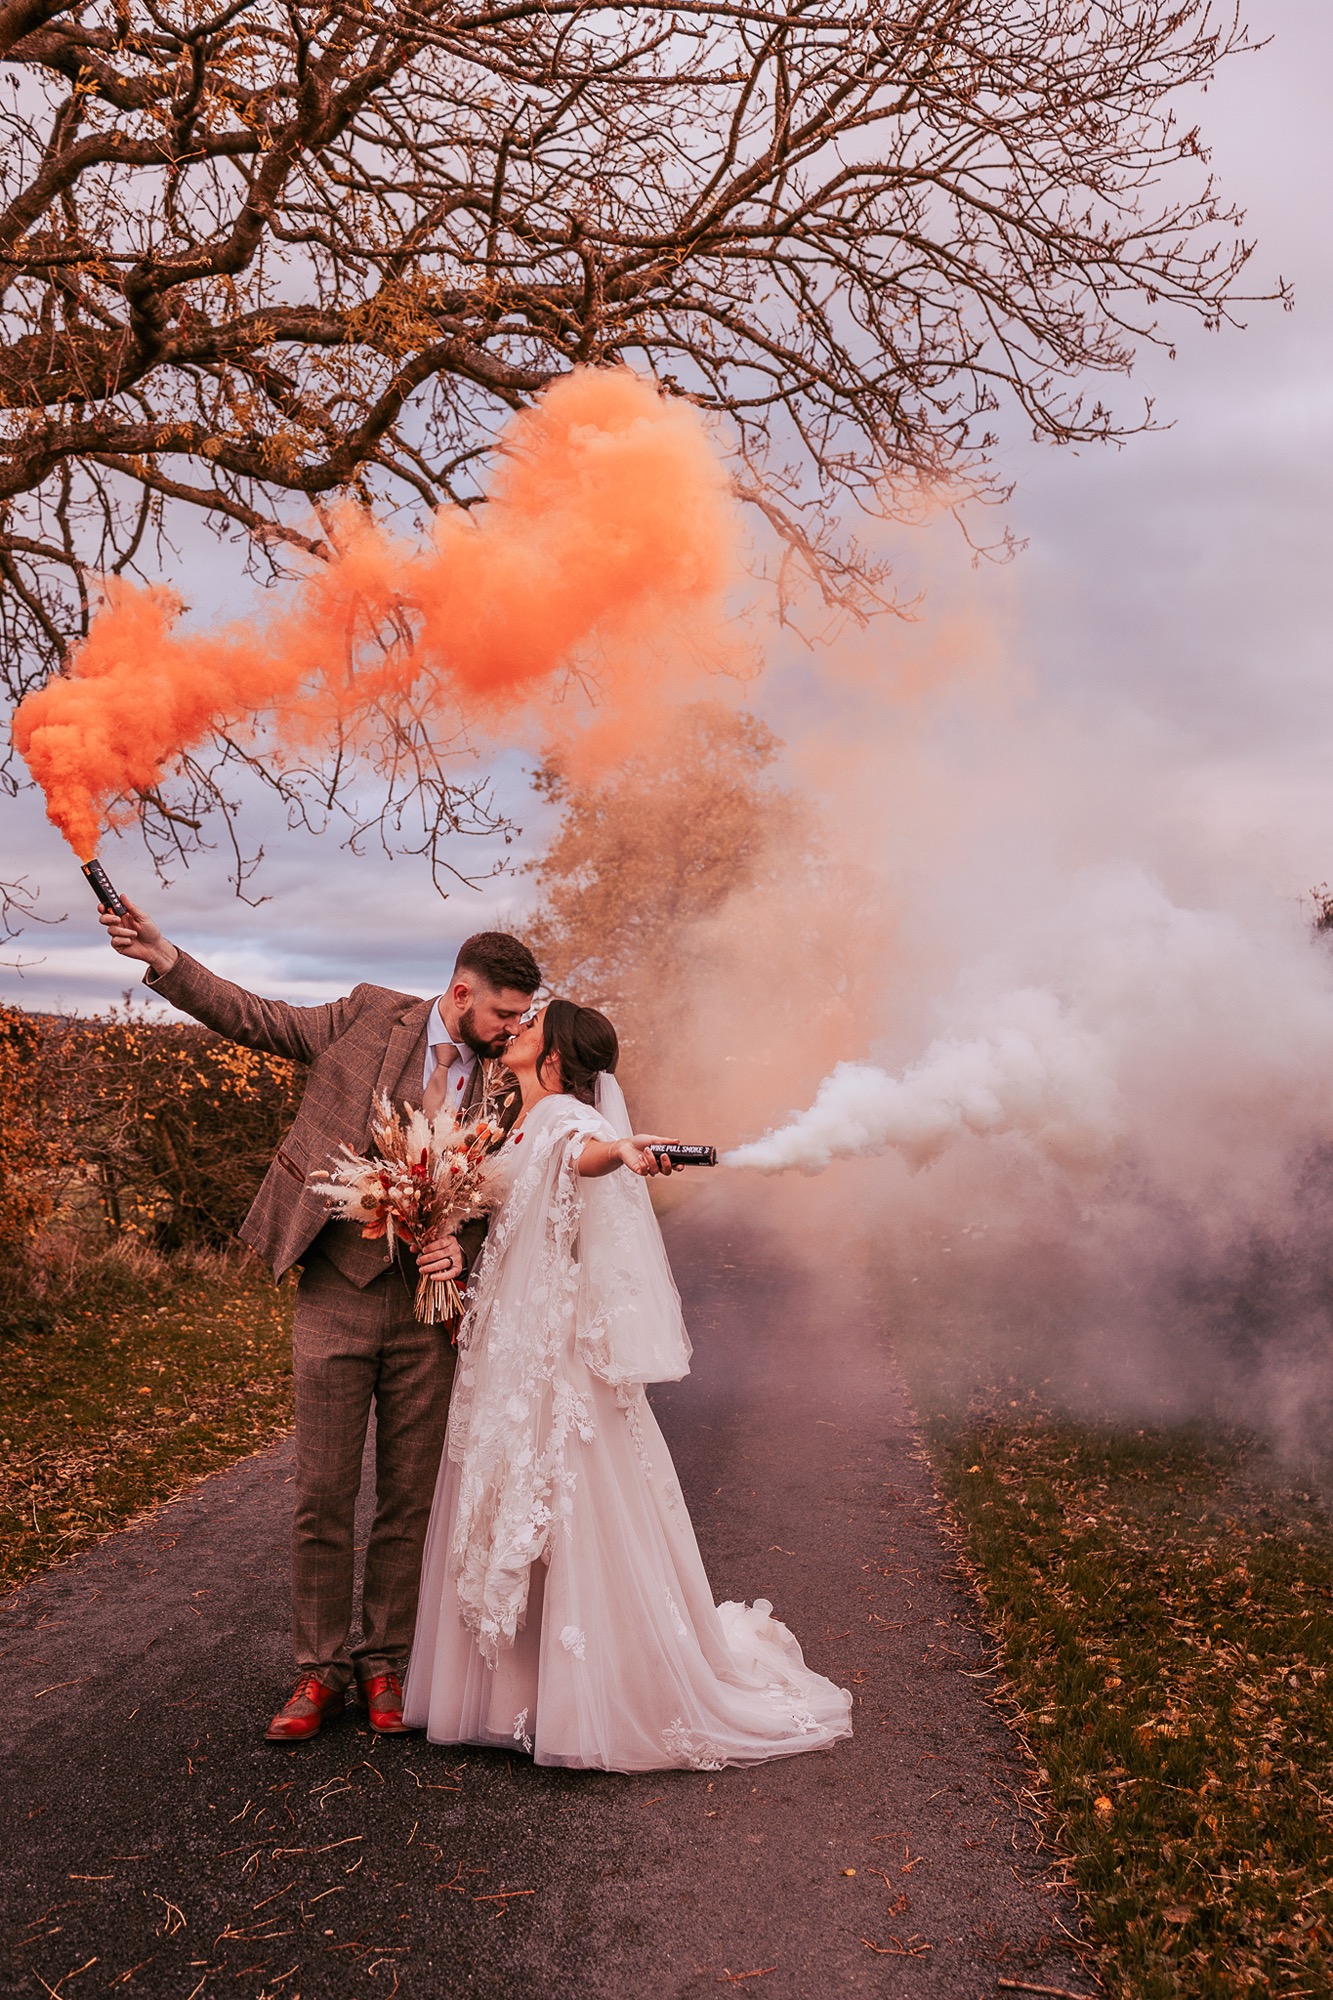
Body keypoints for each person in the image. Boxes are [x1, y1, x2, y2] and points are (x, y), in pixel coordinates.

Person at [99, 897, 540, 1742]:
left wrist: (467, 1248)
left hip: (428, 1311)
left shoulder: (509, 1083)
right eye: (503, 1013)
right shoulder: (371, 1014)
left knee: (408, 1500)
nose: (513, 1029)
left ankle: (384, 1666)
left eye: (522, 1018)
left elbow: (504, 1194)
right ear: (458, 992)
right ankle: (317, 1671)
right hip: (335, 1286)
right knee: (323, 1495)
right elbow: (257, 1019)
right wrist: (164, 956)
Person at [404, 998, 853, 1771]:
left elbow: (585, 1155)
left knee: (564, 1503)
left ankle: (582, 1697)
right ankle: (529, 1691)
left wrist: (622, 1152)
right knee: (516, 1497)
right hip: (506, 1339)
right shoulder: (516, 1119)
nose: (515, 1028)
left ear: (556, 1057)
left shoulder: (567, 1125)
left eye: (532, 1024)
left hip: (550, 1354)